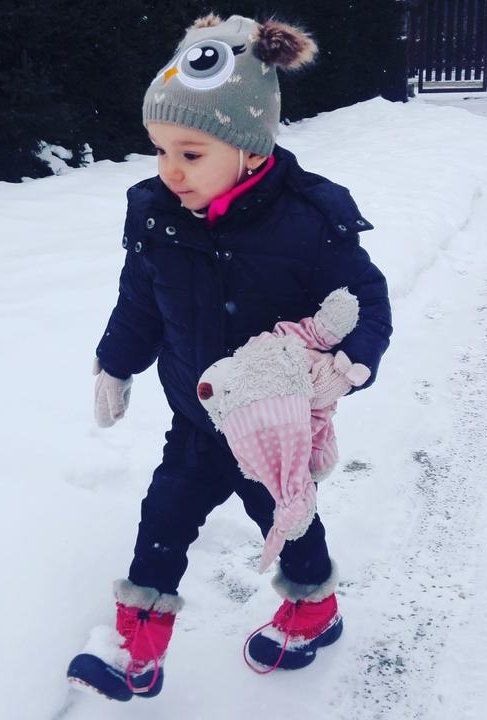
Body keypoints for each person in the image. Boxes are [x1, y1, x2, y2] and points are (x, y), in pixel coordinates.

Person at [67, 13, 392, 702]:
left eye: (190, 153)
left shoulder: (307, 220)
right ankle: (133, 648)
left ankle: (314, 609)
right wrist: (116, 363)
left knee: (288, 520)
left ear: (248, 146)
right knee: (163, 520)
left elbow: (364, 298)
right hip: (196, 417)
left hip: (271, 426)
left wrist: (352, 364)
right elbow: (140, 301)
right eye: (160, 150)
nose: (169, 171)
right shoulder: (156, 215)